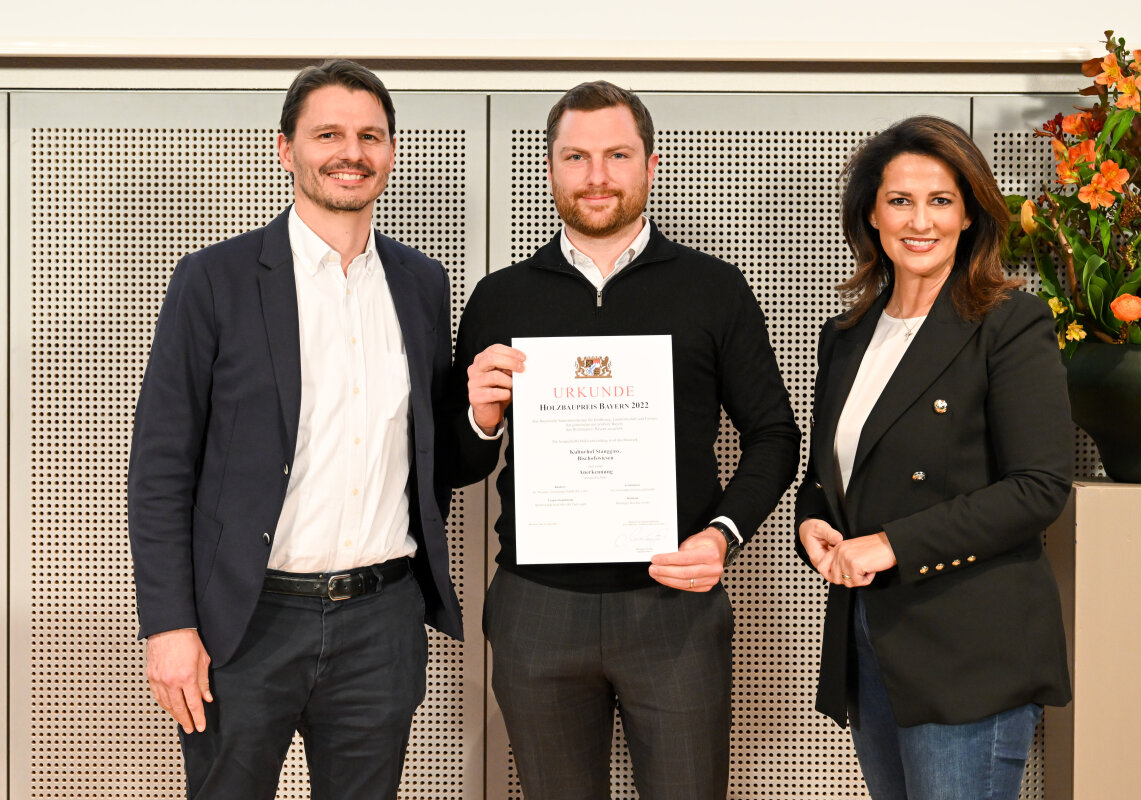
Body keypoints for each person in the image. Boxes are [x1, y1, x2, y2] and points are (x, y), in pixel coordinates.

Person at [127, 59, 489, 799]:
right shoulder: (215, 280)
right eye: (328, 133)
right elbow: (161, 466)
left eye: (370, 136)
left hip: (381, 622)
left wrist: (480, 422)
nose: (350, 152)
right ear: (287, 148)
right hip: (245, 620)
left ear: (390, 152)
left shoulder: (422, 284)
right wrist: (167, 627)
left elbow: (431, 463)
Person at [454, 81, 801, 800]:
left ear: (650, 163)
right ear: (549, 168)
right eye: (575, 157)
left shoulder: (714, 289)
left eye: (617, 154)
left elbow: (774, 435)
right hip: (536, 606)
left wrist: (722, 535)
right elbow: (461, 465)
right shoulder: (500, 297)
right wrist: (480, 417)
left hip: (671, 603)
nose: (597, 176)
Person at [794, 115, 1073, 800]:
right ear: (871, 214)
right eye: (900, 200)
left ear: (970, 214)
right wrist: (813, 525)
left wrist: (889, 544)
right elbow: (827, 474)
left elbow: (1039, 487)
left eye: (940, 200)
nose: (920, 221)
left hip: (968, 651)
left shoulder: (1010, 323)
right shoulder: (848, 333)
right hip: (874, 639)